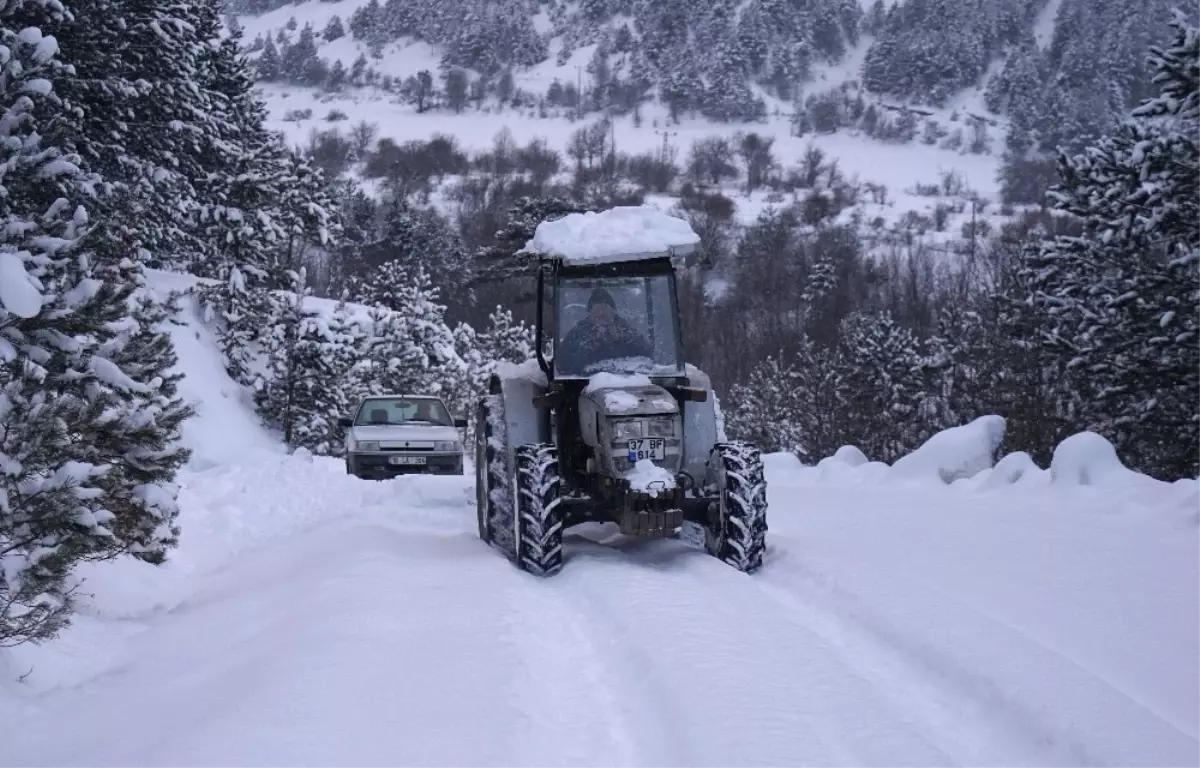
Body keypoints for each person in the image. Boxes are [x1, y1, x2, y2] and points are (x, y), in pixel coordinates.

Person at [557, 287, 652, 374]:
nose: (602, 313)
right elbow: (565, 365)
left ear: (614, 312)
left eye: (605, 308)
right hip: (587, 384)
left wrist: (622, 339)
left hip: (628, 381)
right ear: (590, 313)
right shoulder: (577, 334)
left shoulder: (627, 331)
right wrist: (592, 343)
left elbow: (647, 355)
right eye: (597, 309)